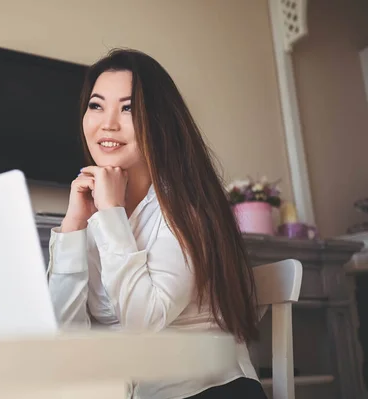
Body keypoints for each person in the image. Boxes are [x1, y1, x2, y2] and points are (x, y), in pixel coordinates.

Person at [46, 48, 268, 399]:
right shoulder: (93, 214)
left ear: (158, 119)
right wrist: (73, 226)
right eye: (96, 105)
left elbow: (142, 323)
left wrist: (110, 213)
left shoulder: (186, 207)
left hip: (205, 389)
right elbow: (65, 334)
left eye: (128, 108)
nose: (108, 123)